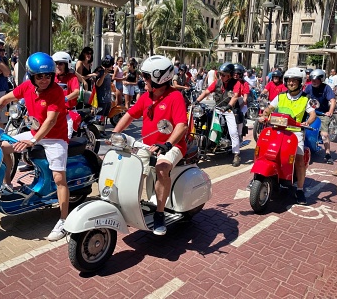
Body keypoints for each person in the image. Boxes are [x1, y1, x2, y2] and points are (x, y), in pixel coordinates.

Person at [0, 52, 70, 240]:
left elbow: (51, 121)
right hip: (35, 133)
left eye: (47, 76)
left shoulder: (56, 92)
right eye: (40, 76)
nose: (44, 80)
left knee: (59, 178)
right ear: (31, 76)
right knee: (3, 146)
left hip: (55, 138)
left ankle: (64, 220)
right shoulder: (27, 86)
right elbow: (5, 99)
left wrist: (33, 141)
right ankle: (7, 184)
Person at [112, 55, 188, 235]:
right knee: (131, 167)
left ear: (159, 78)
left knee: (162, 167)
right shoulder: (146, 97)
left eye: (146, 76)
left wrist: (168, 144)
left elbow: (181, 125)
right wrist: (115, 133)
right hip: (147, 144)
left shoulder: (175, 96)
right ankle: (131, 206)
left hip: (173, 146)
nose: (143, 80)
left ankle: (159, 214)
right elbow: (130, 115)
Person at [258, 67, 316, 204]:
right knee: (263, 149)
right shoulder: (280, 96)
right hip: (277, 129)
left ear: (300, 82)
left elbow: (312, 114)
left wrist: (306, 122)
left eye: (294, 81)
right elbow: (269, 108)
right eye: (289, 80)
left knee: (300, 160)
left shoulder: (305, 99)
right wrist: (264, 115)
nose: (291, 83)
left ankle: (300, 189)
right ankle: (259, 176)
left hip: (295, 132)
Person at [195, 62, 242, 167]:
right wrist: (196, 101)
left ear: (230, 75)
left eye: (224, 74)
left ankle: (236, 154)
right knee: (204, 120)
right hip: (218, 108)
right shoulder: (217, 82)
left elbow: (235, 96)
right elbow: (206, 92)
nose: (221, 76)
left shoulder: (236, 83)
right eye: (220, 74)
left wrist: (229, 106)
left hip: (229, 110)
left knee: (233, 131)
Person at [304, 69, 336, 164]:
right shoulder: (309, 87)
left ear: (321, 79)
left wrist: (330, 111)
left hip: (322, 113)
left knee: (324, 135)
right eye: (312, 79)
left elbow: (333, 101)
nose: (313, 81)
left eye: (316, 79)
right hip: (309, 112)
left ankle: (327, 154)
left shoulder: (326, 88)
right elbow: (303, 99)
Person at [53, 51, 80, 138]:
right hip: (54, 112)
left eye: (60, 63)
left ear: (66, 65)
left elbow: (76, 92)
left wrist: (65, 98)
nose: (58, 66)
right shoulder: (52, 78)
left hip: (68, 112)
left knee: (66, 137)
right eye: (56, 63)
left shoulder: (72, 78)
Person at [93, 55, 114, 137]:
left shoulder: (109, 71)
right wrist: (104, 74)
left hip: (107, 97)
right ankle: (98, 131)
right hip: (101, 98)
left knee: (104, 116)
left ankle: (102, 130)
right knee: (99, 115)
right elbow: (98, 84)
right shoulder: (100, 71)